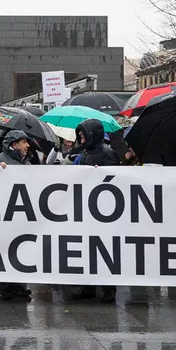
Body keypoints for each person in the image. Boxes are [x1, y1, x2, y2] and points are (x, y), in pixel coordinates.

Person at [71, 119, 120, 303]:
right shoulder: (85, 153)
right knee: (89, 250)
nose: (80, 136)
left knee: (105, 250)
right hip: (87, 209)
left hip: (103, 211)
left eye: (83, 132)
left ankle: (109, 289)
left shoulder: (107, 154)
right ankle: (88, 287)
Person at [0, 130, 33, 300]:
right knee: (1, 250)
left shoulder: (26, 164)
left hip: (20, 217)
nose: (27, 145)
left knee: (19, 251)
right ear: (14, 145)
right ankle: (1, 285)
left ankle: (18, 285)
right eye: (24, 142)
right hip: (2, 217)